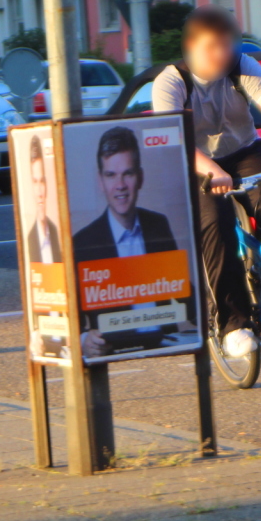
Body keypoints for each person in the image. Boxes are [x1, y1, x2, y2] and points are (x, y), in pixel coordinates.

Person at [148, 5, 261, 359]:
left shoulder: (242, 66)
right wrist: (211, 170)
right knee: (216, 225)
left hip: (244, 152)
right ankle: (232, 324)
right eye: (212, 47)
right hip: (196, 162)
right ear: (192, 46)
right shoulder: (170, 82)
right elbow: (174, 137)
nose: (221, 54)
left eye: (227, 45)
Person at [72, 125, 179, 358]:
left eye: (127, 174)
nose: (120, 185)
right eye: (111, 175)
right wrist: (83, 340)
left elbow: (182, 294)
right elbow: (71, 315)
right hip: (113, 349)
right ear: (100, 180)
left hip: (165, 348)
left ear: (139, 177)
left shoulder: (159, 225)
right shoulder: (83, 243)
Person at [24, 134, 61, 264]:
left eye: (42, 181)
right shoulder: (29, 238)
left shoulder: (55, 231)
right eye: (35, 182)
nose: (40, 192)